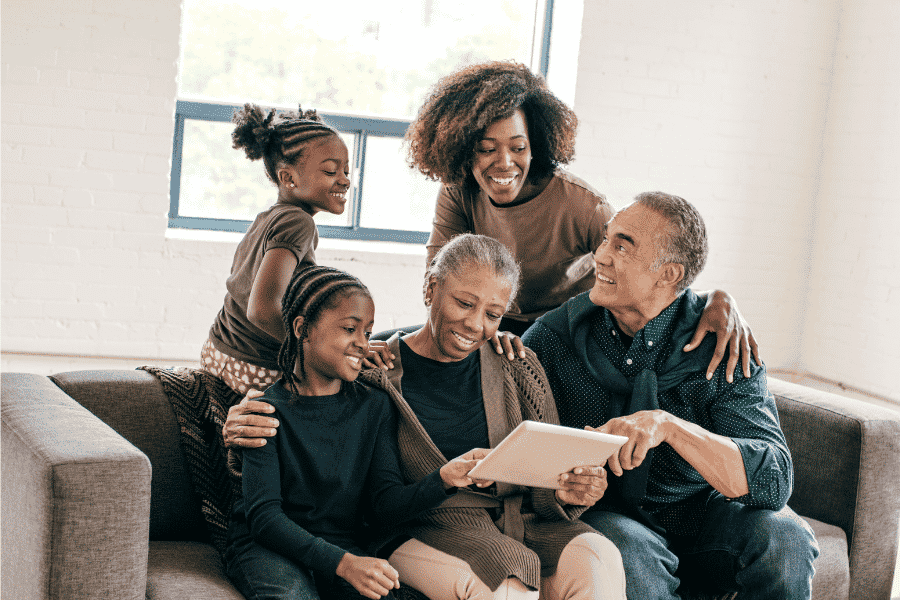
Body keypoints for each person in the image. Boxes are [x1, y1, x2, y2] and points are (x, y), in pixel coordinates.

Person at [230, 234, 627, 600]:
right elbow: (315, 405)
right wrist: (239, 422)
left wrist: (567, 490)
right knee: (504, 575)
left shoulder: (518, 365)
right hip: (431, 525)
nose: (476, 324)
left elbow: (546, 472)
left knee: (598, 554)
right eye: (465, 303)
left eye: (493, 313)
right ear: (431, 288)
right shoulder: (374, 373)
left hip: (523, 522)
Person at [522, 192, 819, 600]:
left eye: (621, 246)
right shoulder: (556, 339)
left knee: (785, 536)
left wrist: (671, 427)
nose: (600, 256)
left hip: (702, 517)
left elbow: (774, 479)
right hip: (611, 517)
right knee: (623, 549)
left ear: (668, 275)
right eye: (606, 239)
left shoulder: (721, 345)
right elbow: (522, 456)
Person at [407, 61, 758, 379]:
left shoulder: (582, 205)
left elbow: (645, 268)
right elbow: (437, 280)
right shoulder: (458, 192)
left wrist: (715, 298)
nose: (504, 163)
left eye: (518, 148)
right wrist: (482, 328)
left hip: (567, 329)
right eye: (487, 149)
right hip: (492, 319)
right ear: (463, 146)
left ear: (537, 145)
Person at [225, 264, 493, 600]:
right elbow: (265, 520)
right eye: (350, 329)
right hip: (269, 547)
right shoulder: (263, 412)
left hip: (344, 548)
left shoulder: (374, 406)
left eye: (367, 332)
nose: (362, 345)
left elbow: (384, 504)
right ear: (302, 328)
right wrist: (343, 564)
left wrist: (443, 479)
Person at [202, 103, 352, 394]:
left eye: (346, 170)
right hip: (252, 365)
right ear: (288, 178)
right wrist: (315, 353)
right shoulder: (299, 223)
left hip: (219, 349)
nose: (345, 180)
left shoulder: (269, 217)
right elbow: (263, 309)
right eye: (331, 171)